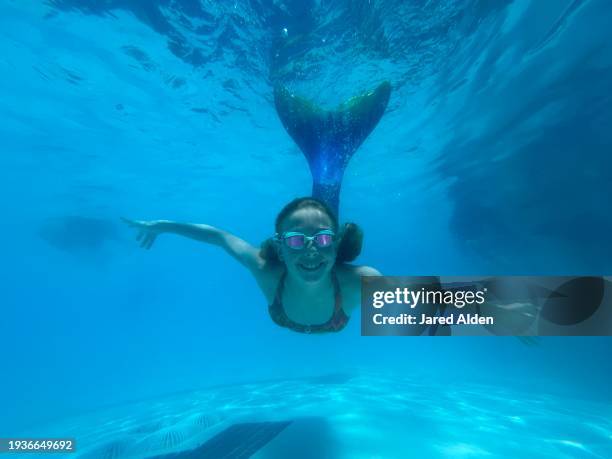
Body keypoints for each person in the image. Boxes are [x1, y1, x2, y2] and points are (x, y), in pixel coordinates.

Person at [122, 197, 380, 334]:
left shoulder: (359, 280)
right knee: (319, 219)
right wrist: (161, 226)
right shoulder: (265, 269)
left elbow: (418, 314)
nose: (311, 249)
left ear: (335, 245)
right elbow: (219, 237)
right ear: (279, 247)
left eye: (323, 239)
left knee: (321, 214)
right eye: (296, 240)